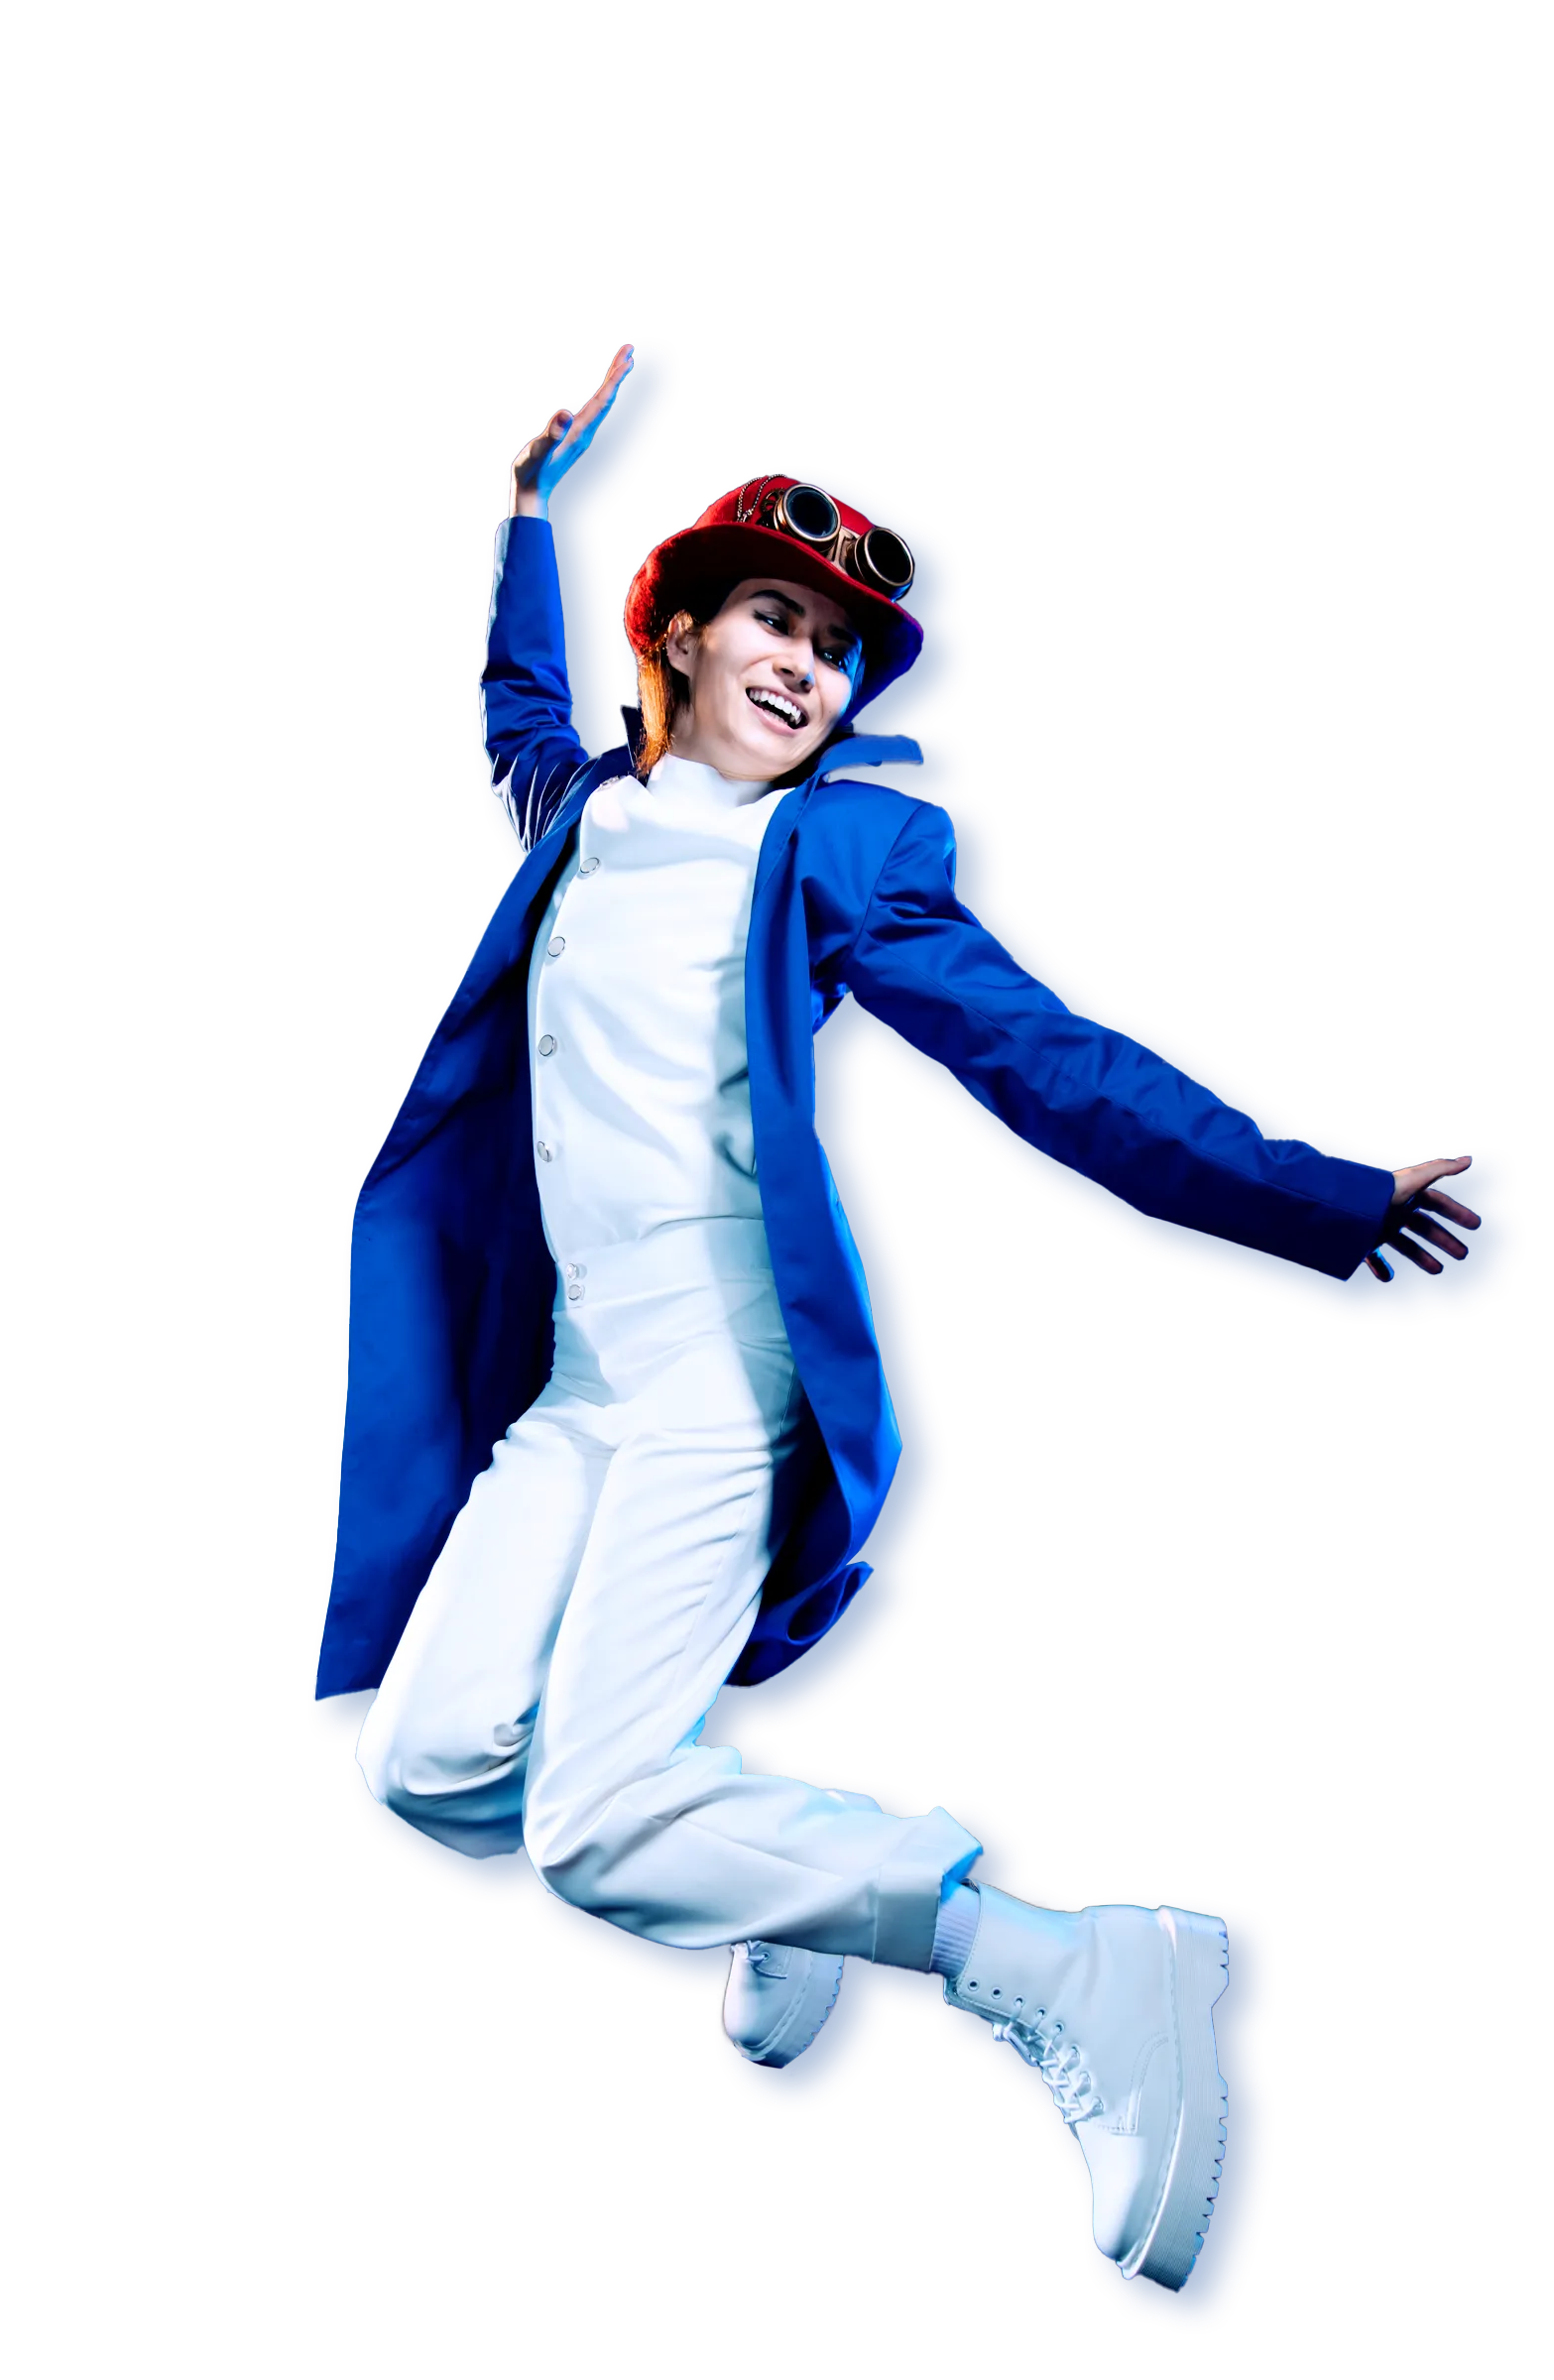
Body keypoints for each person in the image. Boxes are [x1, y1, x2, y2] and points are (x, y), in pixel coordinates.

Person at [324, 344, 1479, 2294]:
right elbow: (517, 696)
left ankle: (1067, 1963)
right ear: (678, 641)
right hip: (584, 1398)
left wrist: (1318, 1189)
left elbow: (1052, 1056)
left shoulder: (832, 854)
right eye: (773, 622)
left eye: (839, 649)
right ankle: (791, 1904)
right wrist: (531, 513)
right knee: (425, 1769)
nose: (805, 667)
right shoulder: (578, 818)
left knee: (592, 1831)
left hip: (717, 1387)